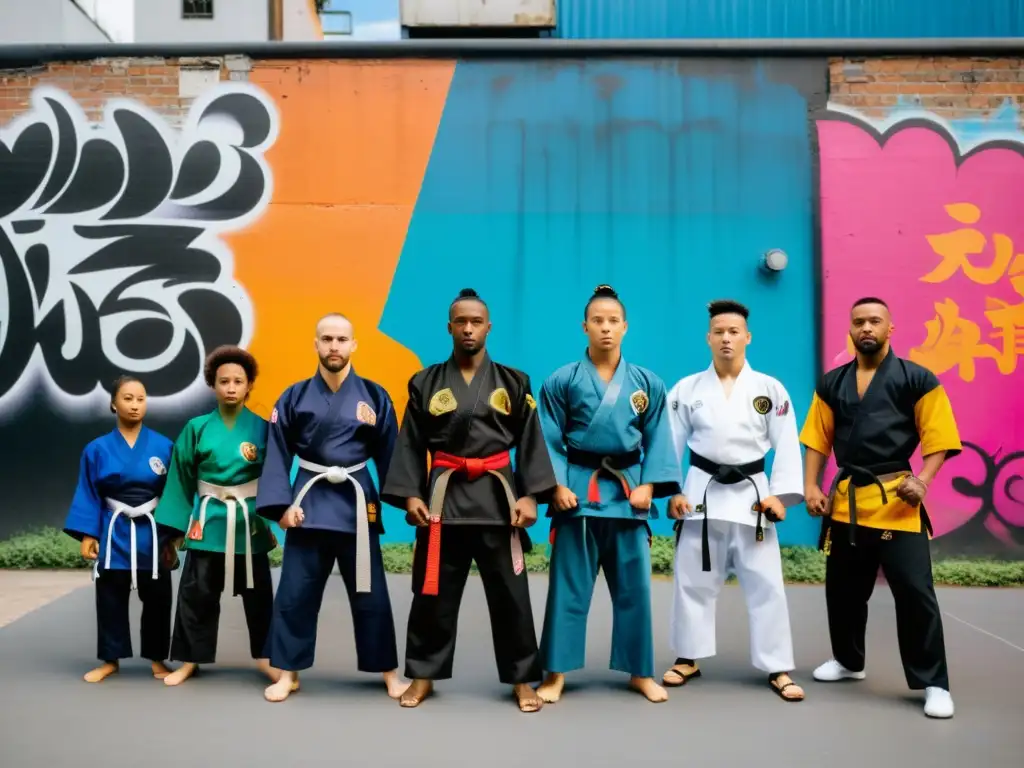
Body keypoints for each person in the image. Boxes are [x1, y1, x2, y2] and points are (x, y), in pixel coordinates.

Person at [381, 288, 557, 713]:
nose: (468, 329)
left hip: (498, 499)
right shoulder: (425, 382)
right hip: (443, 500)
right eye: (461, 322)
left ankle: (521, 679)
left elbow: (531, 441)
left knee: (511, 595)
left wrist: (531, 495)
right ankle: (423, 674)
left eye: (476, 322)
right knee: (432, 593)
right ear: (449, 327)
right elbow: (410, 443)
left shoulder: (514, 382)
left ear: (488, 327)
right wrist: (410, 495)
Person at [799, 297, 961, 719]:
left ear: (891, 329)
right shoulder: (832, 383)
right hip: (847, 502)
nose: (866, 328)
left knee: (914, 593)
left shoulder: (917, 379)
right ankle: (849, 661)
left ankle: (934, 682)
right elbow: (817, 438)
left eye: (875, 321)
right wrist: (811, 485)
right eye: (858, 322)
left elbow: (939, 438)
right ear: (850, 331)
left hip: (896, 499)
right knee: (844, 592)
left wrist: (922, 482)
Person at [534, 285, 682, 704]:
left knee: (635, 589)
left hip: (628, 492)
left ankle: (640, 671)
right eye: (597, 321)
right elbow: (547, 437)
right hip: (577, 492)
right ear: (584, 327)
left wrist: (650, 486)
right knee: (568, 589)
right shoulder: (562, 379)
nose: (605, 328)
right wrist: (557, 485)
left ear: (625, 327)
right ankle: (556, 672)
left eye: (613, 321)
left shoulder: (646, 382)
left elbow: (658, 438)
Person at [257, 313, 408, 703]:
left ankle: (389, 673)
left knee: (371, 594)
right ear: (316, 344)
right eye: (327, 339)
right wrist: (281, 507)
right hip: (308, 504)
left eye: (342, 339)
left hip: (356, 506)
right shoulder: (292, 397)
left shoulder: (374, 396)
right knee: (294, 593)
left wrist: (409, 500)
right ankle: (287, 673)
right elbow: (276, 453)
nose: (334, 346)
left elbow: (391, 453)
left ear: (354, 344)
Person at [663, 300, 806, 702]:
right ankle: (687, 657)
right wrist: (672, 490)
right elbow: (669, 447)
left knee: (767, 585)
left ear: (747, 337)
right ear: (708, 338)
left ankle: (777, 665)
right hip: (701, 495)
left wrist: (780, 495)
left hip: (753, 498)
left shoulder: (769, 389)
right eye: (719, 331)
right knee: (692, 581)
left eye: (734, 331)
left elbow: (787, 445)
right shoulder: (687, 389)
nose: (726, 338)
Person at [155, 345, 282, 687]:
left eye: (238, 381)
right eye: (223, 380)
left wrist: (276, 516)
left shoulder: (263, 428)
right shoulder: (196, 428)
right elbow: (180, 478)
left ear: (249, 385)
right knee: (195, 595)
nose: (230, 387)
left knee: (260, 599)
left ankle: (267, 658)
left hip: (249, 524)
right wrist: (176, 529)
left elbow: (276, 478)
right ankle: (189, 660)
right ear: (213, 384)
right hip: (208, 522)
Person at [63, 375, 175, 683]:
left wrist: (173, 535)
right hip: (114, 531)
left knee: (158, 597)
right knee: (110, 597)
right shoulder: (96, 449)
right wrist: (89, 533)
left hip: (153, 532)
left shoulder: (164, 446)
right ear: (114, 403)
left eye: (140, 398)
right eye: (127, 398)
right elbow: (88, 492)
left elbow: (174, 493)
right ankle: (110, 659)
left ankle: (157, 658)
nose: (135, 404)